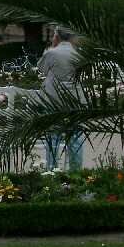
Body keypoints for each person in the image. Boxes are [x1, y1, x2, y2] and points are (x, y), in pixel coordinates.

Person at [37, 26, 84, 170]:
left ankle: (52, 169)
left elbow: (41, 69)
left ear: (57, 36)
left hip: (54, 99)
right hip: (75, 99)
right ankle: (76, 170)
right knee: (75, 137)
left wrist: (51, 47)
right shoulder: (79, 54)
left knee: (53, 137)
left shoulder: (52, 53)